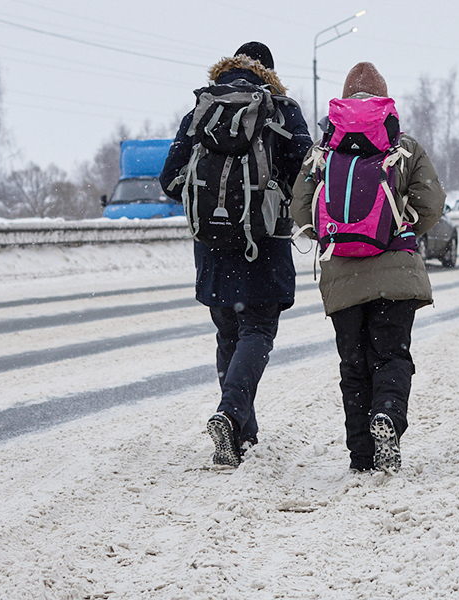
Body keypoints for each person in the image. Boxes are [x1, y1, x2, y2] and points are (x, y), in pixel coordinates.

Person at [159, 42, 312, 467]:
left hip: (211, 245)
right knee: (257, 331)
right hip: (263, 244)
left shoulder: (202, 110)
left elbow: (169, 180)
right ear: (271, 72)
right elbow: (307, 172)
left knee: (229, 334)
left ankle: (241, 437)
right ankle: (230, 414)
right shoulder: (282, 110)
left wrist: (212, 204)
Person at [291, 62, 445, 474]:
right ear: (385, 100)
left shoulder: (322, 151)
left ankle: (361, 456)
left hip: (341, 277)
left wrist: (331, 236)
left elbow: (300, 209)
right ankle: (388, 417)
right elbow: (432, 203)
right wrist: (399, 227)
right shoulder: (404, 147)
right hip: (397, 272)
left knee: (353, 365)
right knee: (391, 355)